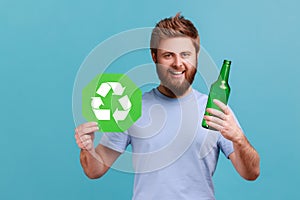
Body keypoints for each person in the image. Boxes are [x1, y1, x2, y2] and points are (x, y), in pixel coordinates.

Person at [75, 13, 260, 199]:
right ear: (154, 56)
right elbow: (94, 170)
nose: (178, 63)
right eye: (168, 55)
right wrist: (87, 147)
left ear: (196, 56)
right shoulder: (129, 107)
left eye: (185, 55)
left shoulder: (214, 109)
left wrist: (239, 139)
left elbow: (251, 173)